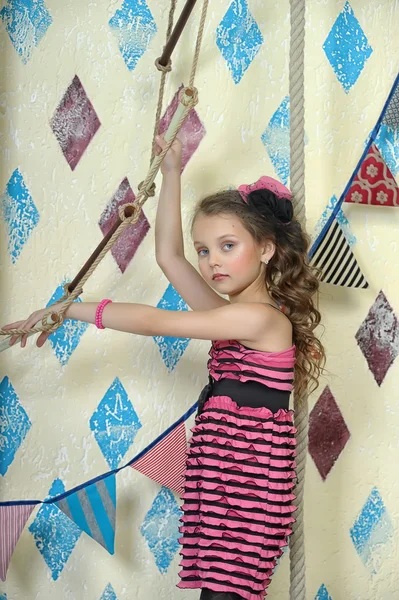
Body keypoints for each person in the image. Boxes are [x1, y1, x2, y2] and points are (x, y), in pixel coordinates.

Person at [4, 136, 324, 600]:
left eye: (227, 246)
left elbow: (155, 320)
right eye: (205, 249)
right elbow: (168, 257)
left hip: (250, 484)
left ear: (267, 250)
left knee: (227, 593)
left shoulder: (261, 319)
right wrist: (172, 172)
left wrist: (67, 309)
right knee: (215, 591)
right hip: (218, 474)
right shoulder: (226, 315)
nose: (212, 260)